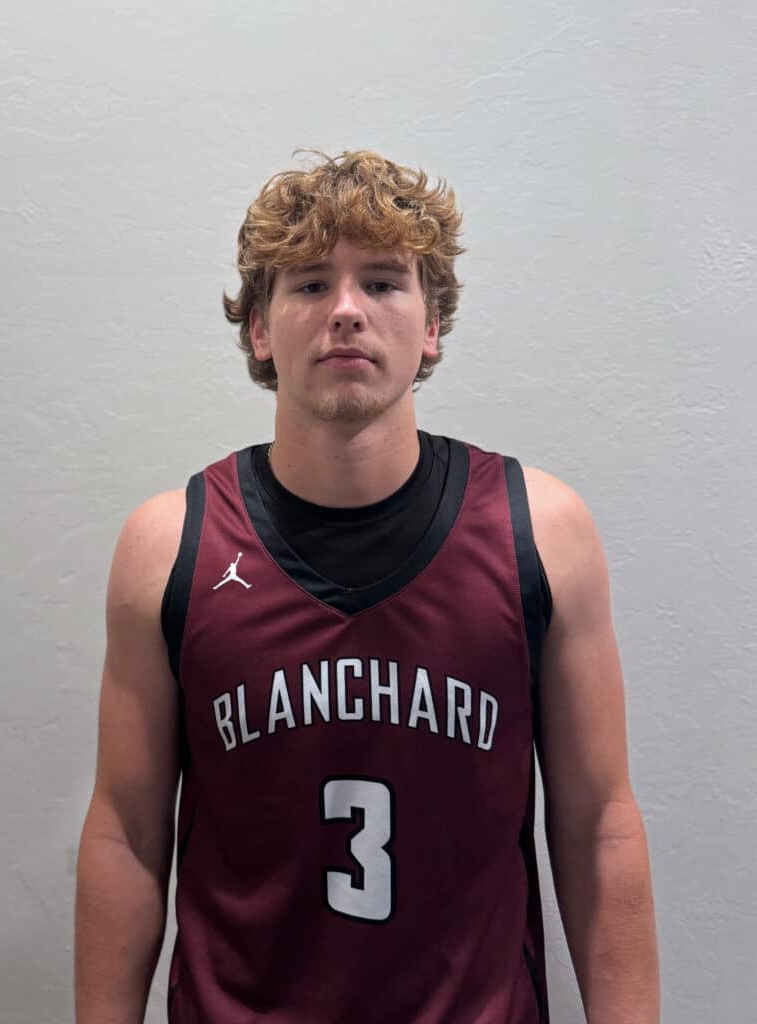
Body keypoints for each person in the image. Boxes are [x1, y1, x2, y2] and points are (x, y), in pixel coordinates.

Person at [74, 149, 660, 1023]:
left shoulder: (542, 532)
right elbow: (125, 833)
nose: (346, 310)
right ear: (259, 329)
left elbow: (598, 825)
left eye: (383, 283)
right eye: (310, 284)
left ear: (431, 325)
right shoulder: (169, 546)